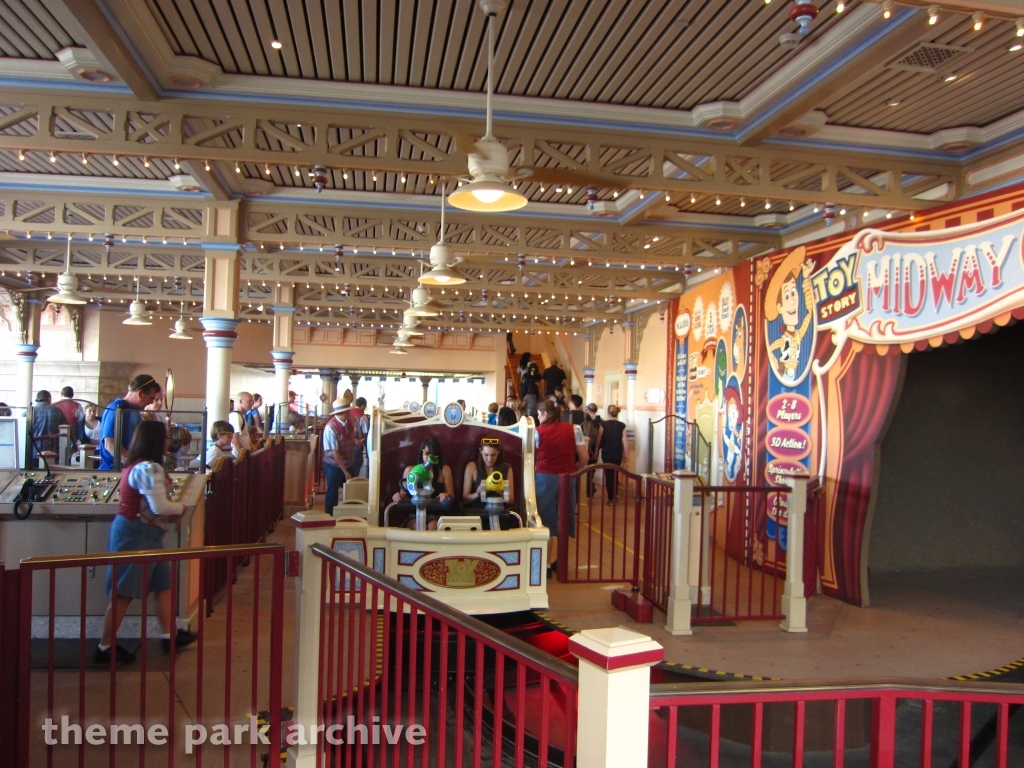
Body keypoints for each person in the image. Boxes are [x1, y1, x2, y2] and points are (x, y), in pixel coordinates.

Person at [96, 420, 196, 664]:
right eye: (164, 438)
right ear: (154, 441)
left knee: (163, 585)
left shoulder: (139, 466)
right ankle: (104, 647)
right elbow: (159, 506)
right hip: (135, 534)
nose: (168, 442)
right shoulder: (149, 469)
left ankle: (169, 635)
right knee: (124, 593)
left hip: (146, 532)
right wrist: (181, 508)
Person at [534, 401, 588, 579]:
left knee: (546, 521)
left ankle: (546, 564)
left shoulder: (537, 432)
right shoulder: (575, 429)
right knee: (565, 519)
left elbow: (531, 457)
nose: (538, 418)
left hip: (544, 478)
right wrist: (573, 470)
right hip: (567, 478)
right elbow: (584, 457)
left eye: (539, 414)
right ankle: (561, 562)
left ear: (544, 414)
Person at [99, 375, 162, 470]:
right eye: (151, 398)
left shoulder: (134, 411)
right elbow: (110, 444)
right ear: (140, 393)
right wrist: (135, 465)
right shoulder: (117, 409)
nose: (151, 403)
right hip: (114, 469)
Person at [390, 436, 455, 527]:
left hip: (438, 514)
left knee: (433, 526)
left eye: (433, 455)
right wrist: (398, 496)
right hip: (415, 514)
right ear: (422, 452)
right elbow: (403, 495)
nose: (429, 458)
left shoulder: (444, 470)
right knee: (418, 525)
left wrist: (445, 495)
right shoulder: (410, 470)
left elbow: (451, 496)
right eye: (427, 453)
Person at [322, 400, 360, 516]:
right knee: (333, 491)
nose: (348, 413)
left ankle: (350, 515)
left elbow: (352, 437)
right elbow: (335, 452)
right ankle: (329, 516)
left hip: (349, 461)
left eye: (348, 410)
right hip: (333, 464)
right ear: (337, 413)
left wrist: (356, 441)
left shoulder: (353, 421)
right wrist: (345, 471)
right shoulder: (330, 427)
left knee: (353, 489)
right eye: (344, 412)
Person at [462, 437, 514, 507]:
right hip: (477, 511)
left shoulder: (507, 468)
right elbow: (465, 499)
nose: (489, 459)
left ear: (498, 452)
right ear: (480, 451)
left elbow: (511, 500)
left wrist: (502, 494)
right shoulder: (472, 467)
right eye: (486, 455)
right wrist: (477, 494)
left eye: (493, 455)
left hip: (499, 510)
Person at [597, 405, 628, 502]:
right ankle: (614, 495)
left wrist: (596, 450)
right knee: (615, 473)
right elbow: (625, 441)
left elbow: (599, 438)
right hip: (617, 452)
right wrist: (626, 454)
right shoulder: (622, 425)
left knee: (608, 474)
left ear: (608, 413)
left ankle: (611, 497)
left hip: (606, 452)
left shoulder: (603, 424)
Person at [31, 390, 67, 458]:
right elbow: (67, 427)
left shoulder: (28, 412)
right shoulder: (57, 411)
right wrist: (74, 445)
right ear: (49, 399)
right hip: (52, 451)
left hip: (32, 451)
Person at [227, 392, 253, 457]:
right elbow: (235, 439)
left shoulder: (240, 415)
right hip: (238, 456)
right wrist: (243, 456)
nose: (252, 403)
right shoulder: (236, 416)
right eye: (249, 401)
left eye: (252, 401)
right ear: (241, 401)